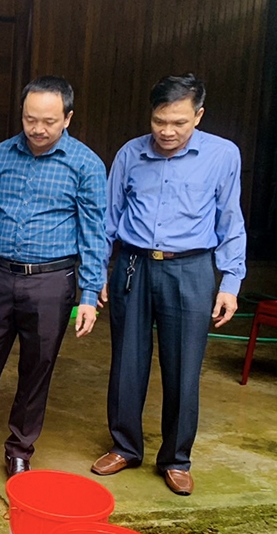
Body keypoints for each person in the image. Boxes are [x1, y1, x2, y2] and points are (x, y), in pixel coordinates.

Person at [0, 76, 107, 477]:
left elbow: (94, 233)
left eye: (48, 121)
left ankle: (19, 449)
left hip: (51, 282)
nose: (38, 129)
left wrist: (89, 292)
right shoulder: (0, 156)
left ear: (68, 117)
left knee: (36, 367)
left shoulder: (85, 164)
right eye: (30, 119)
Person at [90, 74, 246, 496]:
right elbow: (108, 215)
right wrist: (98, 272)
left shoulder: (222, 155)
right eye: (160, 121)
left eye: (178, 122)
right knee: (127, 362)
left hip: (191, 269)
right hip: (134, 265)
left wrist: (230, 280)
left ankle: (176, 459)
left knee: (183, 367)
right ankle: (125, 446)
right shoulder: (130, 153)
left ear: (198, 115)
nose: (168, 131)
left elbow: (230, 218)